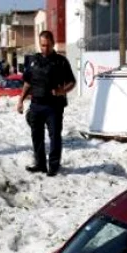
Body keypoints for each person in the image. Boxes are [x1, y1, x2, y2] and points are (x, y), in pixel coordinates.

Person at [17, 30, 76, 177]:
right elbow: (27, 83)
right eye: (43, 45)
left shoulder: (61, 61)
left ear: (53, 44)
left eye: (48, 45)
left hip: (54, 107)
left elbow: (72, 82)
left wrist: (62, 91)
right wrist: (20, 101)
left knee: (55, 136)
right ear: (39, 44)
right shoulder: (33, 61)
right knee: (37, 136)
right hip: (36, 105)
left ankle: (54, 166)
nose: (45, 48)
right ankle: (40, 164)